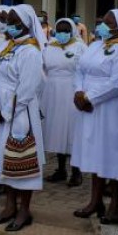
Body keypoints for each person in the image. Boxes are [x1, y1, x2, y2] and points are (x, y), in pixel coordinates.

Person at [72, 9, 118, 223]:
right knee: (94, 153)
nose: (102, 25)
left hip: (111, 108)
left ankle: (116, 205)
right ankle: (95, 201)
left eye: (108, 23)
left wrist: (89, 97)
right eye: (101, 21)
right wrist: (78, 91)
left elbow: (117, 82)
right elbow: (80, 70)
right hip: (88, 106)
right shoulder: (95, 45)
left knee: (112, 154)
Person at [0, 5, 45, 230]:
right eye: (7, 20)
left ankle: (24, 210)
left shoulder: (31, 51)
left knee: (21, 160)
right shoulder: (7, 46)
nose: (8, 24)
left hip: (20, 113)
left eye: (12, 21)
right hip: (2, 110)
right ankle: (9, 206)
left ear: (25, 24)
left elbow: (27, 89)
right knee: (4, 159)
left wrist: (5, 113)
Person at [41, 18, 83, 186]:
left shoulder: (80, 47)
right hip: (52, 91)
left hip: (71, 89)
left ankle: (76, 171)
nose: (62, 33)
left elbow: (84, 70)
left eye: (66, 30)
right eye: (59, 30)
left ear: (72, 31)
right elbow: (42, 68)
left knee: (71, 129)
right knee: (57, 130)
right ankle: (60, 169)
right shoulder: (50, 47)